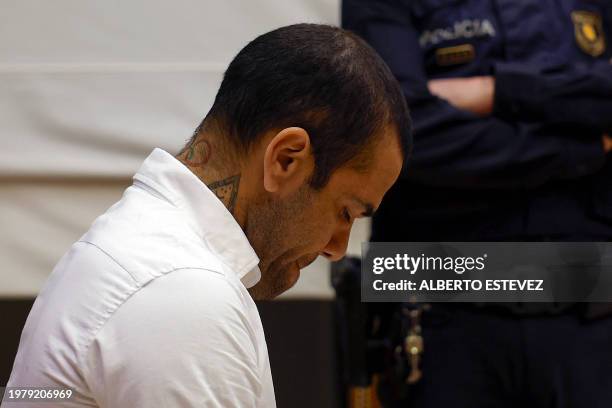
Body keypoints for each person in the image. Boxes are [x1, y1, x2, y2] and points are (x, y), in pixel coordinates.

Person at [2, 23, 411, 408]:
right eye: (346, 212)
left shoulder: (147, 252)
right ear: (286, 159)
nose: (338, 249)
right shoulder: (181, 293)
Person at [343, 1, 612, 407]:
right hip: (433, 318)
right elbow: (392, 128)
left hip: (590, 318)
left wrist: (496, 90)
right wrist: (585, 147)